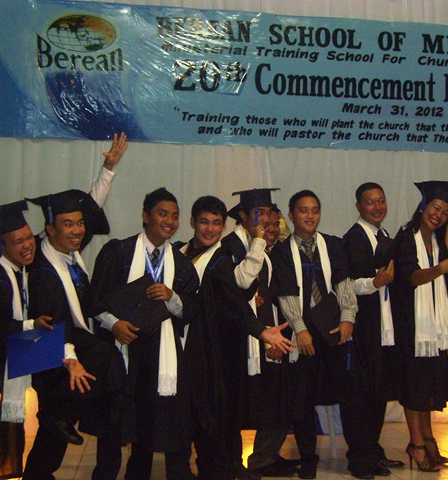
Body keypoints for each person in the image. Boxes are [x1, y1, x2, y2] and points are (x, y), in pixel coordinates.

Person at [177, 195, 294, 480]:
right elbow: (237, 288)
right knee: (193, 411)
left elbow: (235, 296)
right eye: (204, 222)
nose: (210, 228)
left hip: (216, 344)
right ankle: (194, 468)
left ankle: (223, 467)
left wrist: (262, 330)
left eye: (216, 223)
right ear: (192, 222)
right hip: (184, 342)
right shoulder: (186, 253)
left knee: (219, 411)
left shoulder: (221, 257)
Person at [87, 187, 200, 480]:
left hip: (159, 353)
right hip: (121, 350)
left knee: (149, 421)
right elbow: (95, 300)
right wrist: (114, 324)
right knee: (114, 423)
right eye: (163, 214)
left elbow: (190, 310)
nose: (170, 222)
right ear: (145, 216)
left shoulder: (181, 263)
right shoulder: (119, 252)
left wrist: (172, 296)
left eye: (174, 216)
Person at [22, 190, 127, 480]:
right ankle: (65, 418)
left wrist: (107, 173)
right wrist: (72, 361)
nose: (78, 230)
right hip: (50, 350)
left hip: (70, 340)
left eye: (80, 223)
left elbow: (89, 211)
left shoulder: (66, 250)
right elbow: (54, 323)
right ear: (50, 229)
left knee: (59, 428)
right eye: (68, 224)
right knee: (54, 428)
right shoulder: (44, 271)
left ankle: (69, 421)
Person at [271, 190, 358, 479]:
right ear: (291, 215)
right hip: (304, 334)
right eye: (303, 210)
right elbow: (285, 293)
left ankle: (359, 456)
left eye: (315, 210)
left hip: (334, 330)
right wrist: (300, 328)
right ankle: (308, 458)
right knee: (302, 401)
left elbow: (343, 283)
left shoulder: (333, 245)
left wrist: (347, 318)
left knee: (351, 394)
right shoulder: (282, 252)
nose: (310, 216)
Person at [389, 181, 448, 472]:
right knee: (414, 386)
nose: (438, 215)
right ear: (423, 206)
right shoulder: (406, 238)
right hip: (411, 325)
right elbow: (411, 277)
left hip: (431, 327)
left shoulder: (435, 241)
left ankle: (427, 438)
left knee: (427, 387)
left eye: (445, 212)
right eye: (436, 208)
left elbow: (444, 279)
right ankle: (416, 444)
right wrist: (440, 269)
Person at [220, 189, 300, 478]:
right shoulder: (230, 246)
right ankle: (231, 462)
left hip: (267, 334)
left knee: (276, 398)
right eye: (259, 213)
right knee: (238, 404)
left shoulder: (267, 247)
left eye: (269, 213)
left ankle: (264, 458)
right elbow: (238, 286)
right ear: (243, 216)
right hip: (238, 338)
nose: (266, 220)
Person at [341, 182, 407, 476]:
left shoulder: (385, 236)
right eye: (370, 202)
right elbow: (347, 284)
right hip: (363, 330)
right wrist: (374, 282)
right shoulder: (353, 239)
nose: (377, 207)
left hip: (384, 328)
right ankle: (359, 458)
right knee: (360, 397)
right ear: (358, 206)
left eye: (381, 201)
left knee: (379, 393)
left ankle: (373, 451)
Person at [0, 201, 53, 480]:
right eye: (18, 241)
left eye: (29, 237)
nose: (28, 245)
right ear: (0, 245)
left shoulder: (10, 265)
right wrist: (30, 325)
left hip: (8, 357)